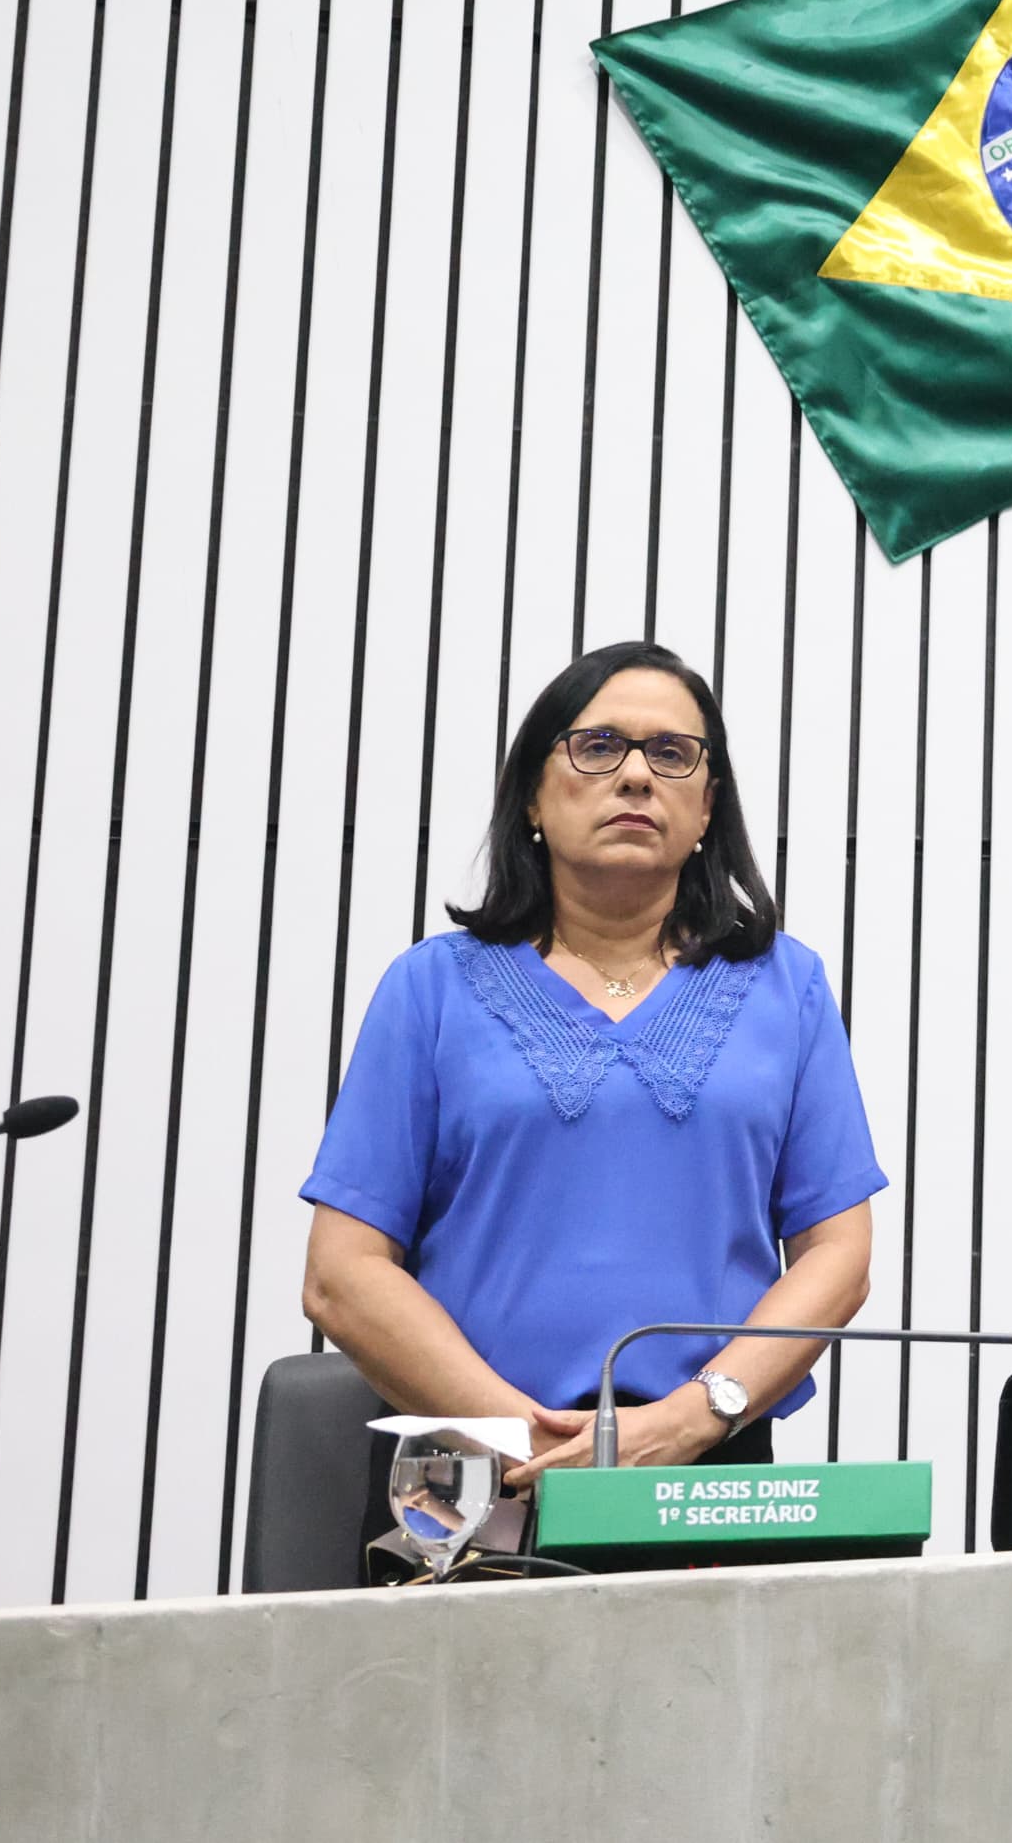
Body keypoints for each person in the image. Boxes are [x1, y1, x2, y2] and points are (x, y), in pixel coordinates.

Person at [301, 644, 883, 1518]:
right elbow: (342, 1274)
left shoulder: (786, 987)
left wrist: (694, 1415)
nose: (638, 775)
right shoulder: (430, 988)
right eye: (599, 746)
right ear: (533, 796)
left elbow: (838, 1253)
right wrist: (520, 1434)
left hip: (709, 1469)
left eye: (672, 753)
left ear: (706, 808)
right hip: (473, 1477)